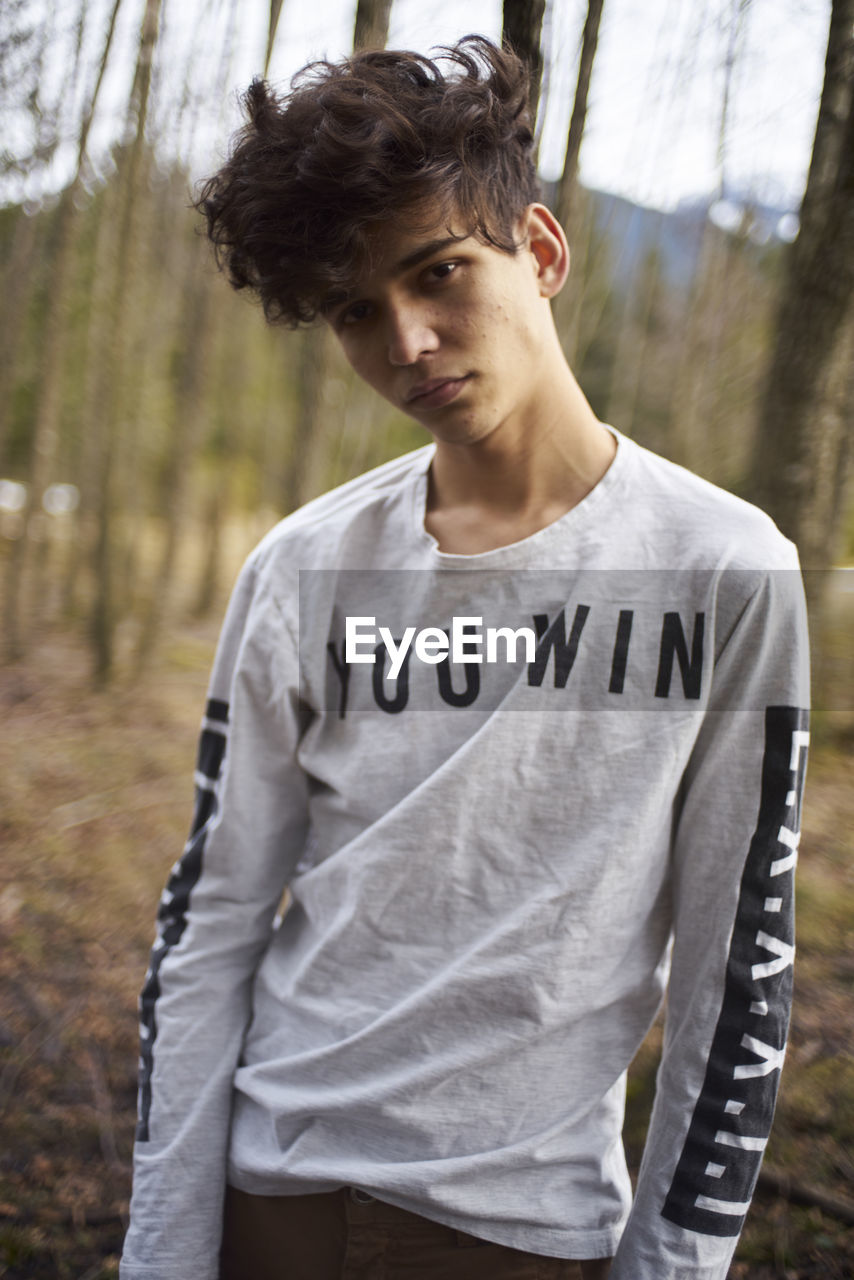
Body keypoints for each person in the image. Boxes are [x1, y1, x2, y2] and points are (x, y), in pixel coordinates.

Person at [120, 36, 809, 1280]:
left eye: (440, 273)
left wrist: (674, 1261)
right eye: (353, 312)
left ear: (538, 252)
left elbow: (737, 965)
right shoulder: (303, 566)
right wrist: (163, 1245)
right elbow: (211, 923)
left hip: (517, 1227)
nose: (408, 341)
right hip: (270, 1198)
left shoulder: (720, 565)